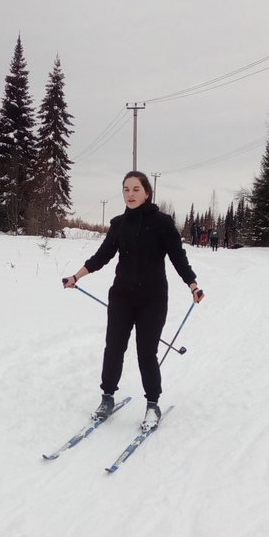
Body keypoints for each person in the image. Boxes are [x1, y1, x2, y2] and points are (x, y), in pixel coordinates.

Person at [63, 171, 203, 431]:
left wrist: (192, 284)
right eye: (126, 189)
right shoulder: (119, 224)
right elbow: (102, 256)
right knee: (114, 347)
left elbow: (178, 257)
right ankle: (107, 397)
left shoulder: (162, 223)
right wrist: (76, 276)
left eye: (136, 189)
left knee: (146, 352)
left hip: (153, 299)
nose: (130, 194)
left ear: (147, 192)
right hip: (122, 296)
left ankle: (152, 404)